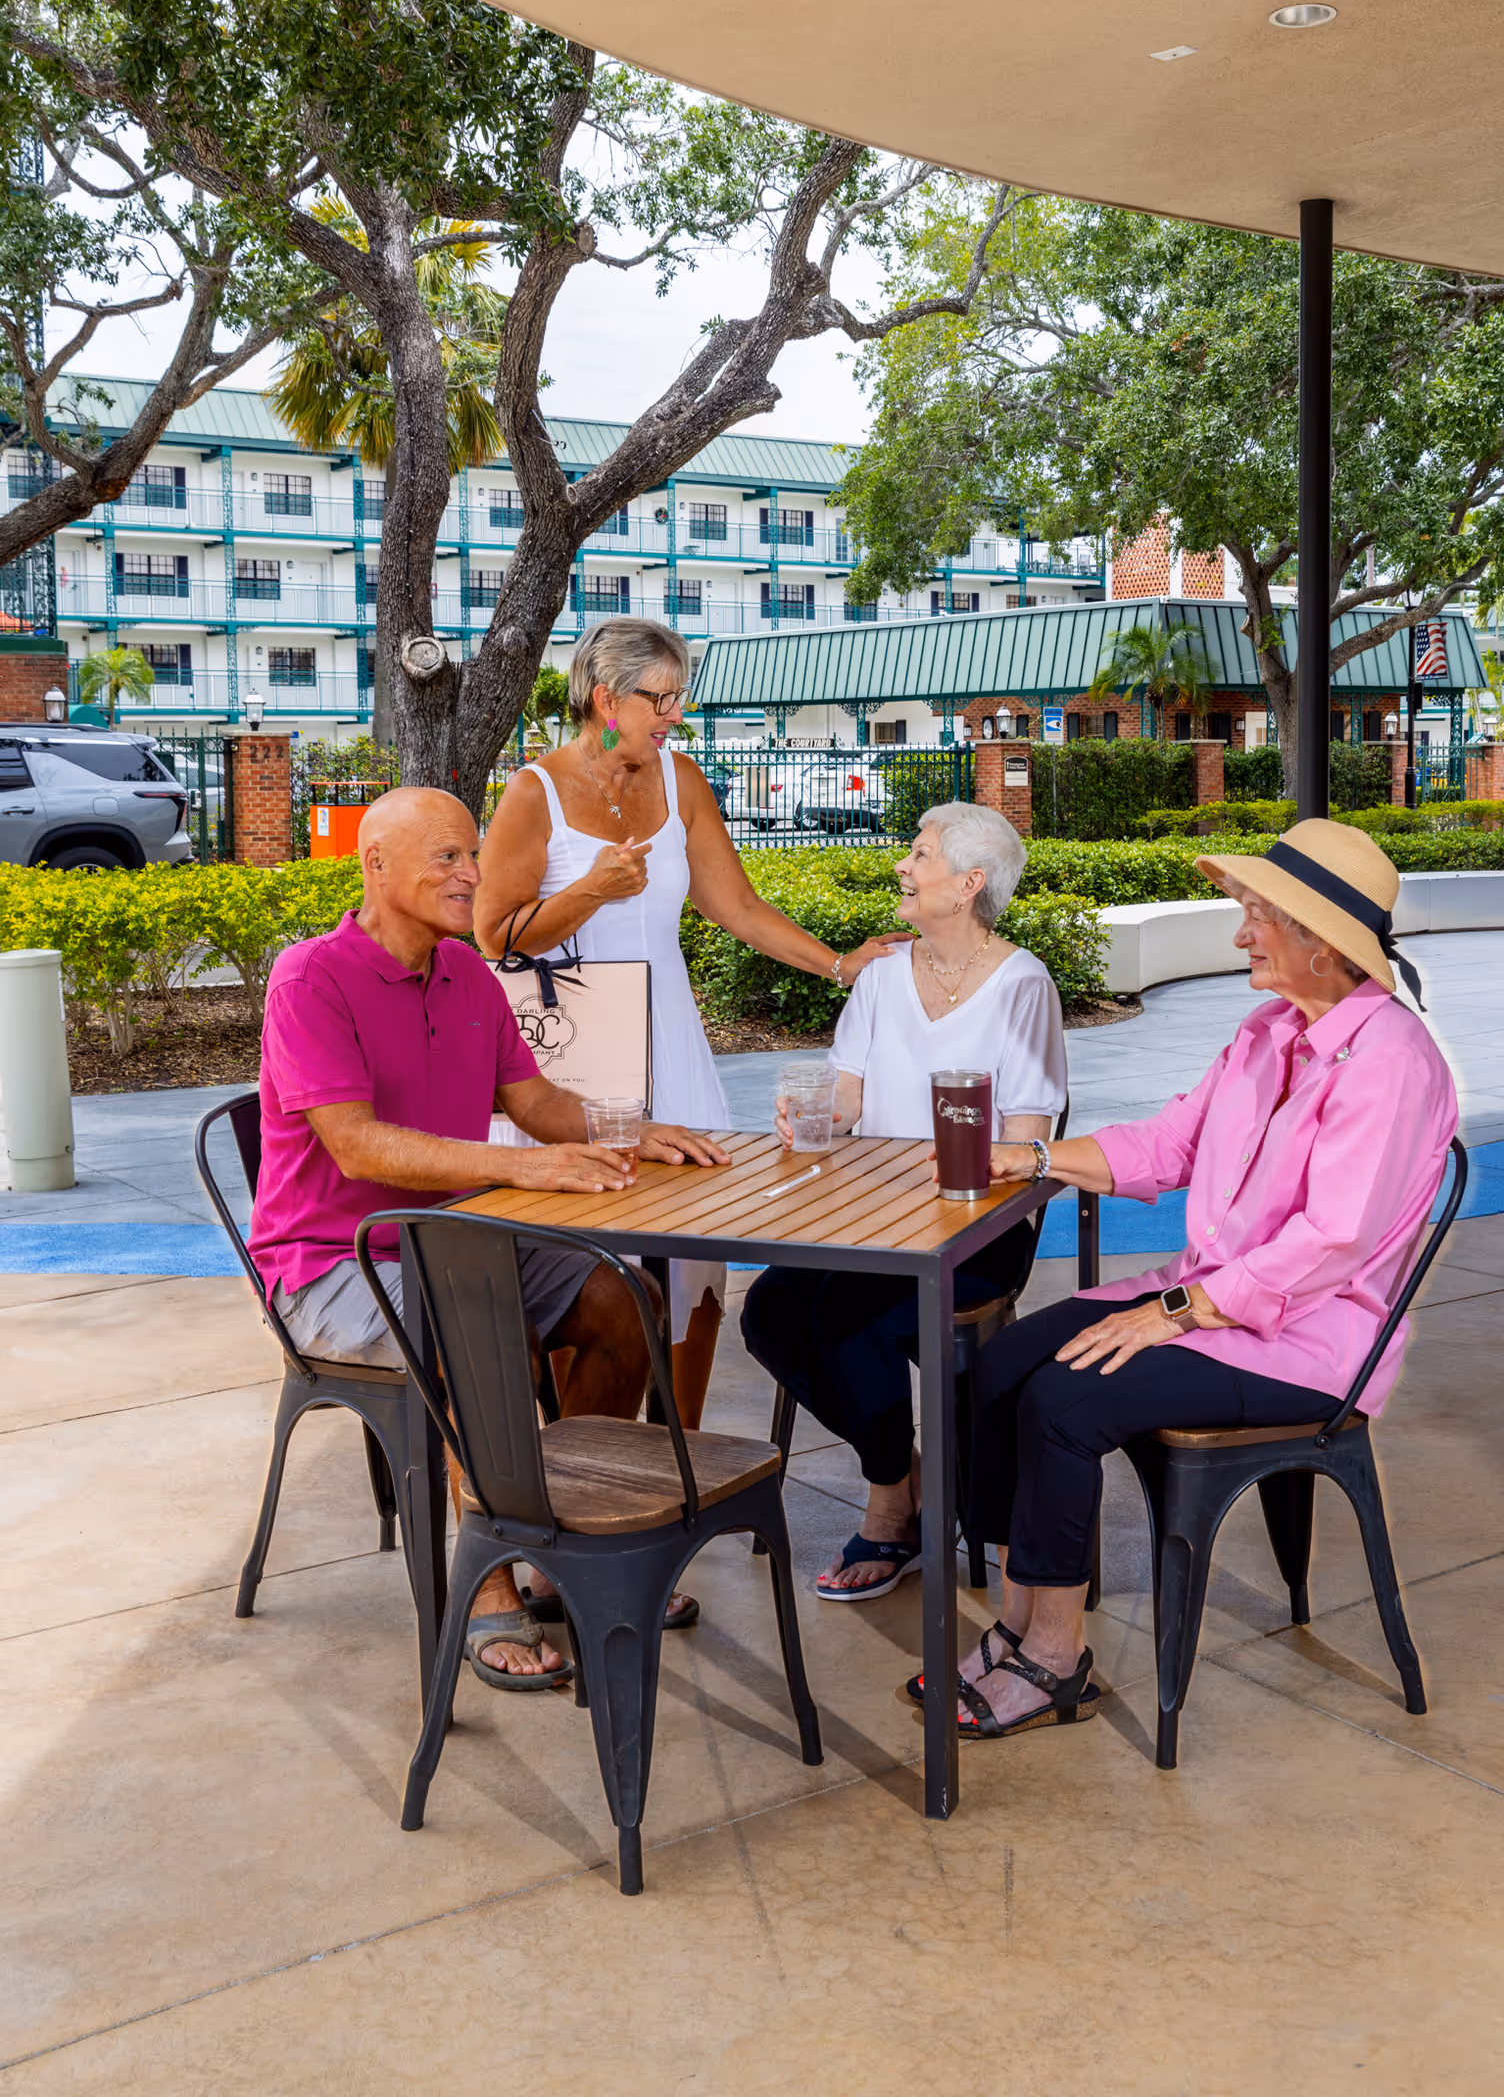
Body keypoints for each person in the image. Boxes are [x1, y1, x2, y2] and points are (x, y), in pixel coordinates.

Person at [921, 817, 1457, 1740]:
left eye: (1257, 915)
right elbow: (1169, 1144)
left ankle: (1052, 1660)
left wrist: (1176, 1310)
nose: (1241, 931)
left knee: (1062, 1400)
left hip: (1305, 1339)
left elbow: (1332, 1240)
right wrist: (1036, 1155)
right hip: (1216, 1302)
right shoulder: (1269, 1030)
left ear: (1320, 942)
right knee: (1000, 1365)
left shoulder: (1391, 1063)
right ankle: (1017, 1622)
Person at [249, 786, 729, 1694]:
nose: (472, 873)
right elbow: (354, 1143)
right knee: (482, 1335)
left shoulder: (468, 973)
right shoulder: (310, 977)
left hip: (454, 1243)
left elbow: (534, 1101)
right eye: (447, 858)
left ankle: (565, 1541)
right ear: (375, 864)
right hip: (331, 1265)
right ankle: (487, 1581)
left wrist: (631, 1130)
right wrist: (519, 1170)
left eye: (472, 854)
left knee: (625, 1299)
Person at [474, 619, 907, 1428]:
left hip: (668, 1036)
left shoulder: (682, 780)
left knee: (695, 1259)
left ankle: (683, 1459)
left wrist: (841, 964)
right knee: (589, 1258)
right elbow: (494, 935)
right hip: (573, 1055)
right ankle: (587, 1470)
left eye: (680, 697)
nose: (676, 715)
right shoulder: (534, 792)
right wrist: (590, 891)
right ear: (606, 698)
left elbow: (734, 906)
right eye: (662, 699)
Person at [741, 803, 1067, 1599]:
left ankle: (890, 1509)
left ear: (968, 884)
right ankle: (906, 1469)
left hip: (976, 1228)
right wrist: (810, 1113)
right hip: (872, 1217)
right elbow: (845, 1097)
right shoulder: (884, 975)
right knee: (770, 1312)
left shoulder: (1023, 985)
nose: (902, 866)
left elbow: (1027, 1139)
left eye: (919, 856)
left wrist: (953, 1188)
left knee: (843, 1317)